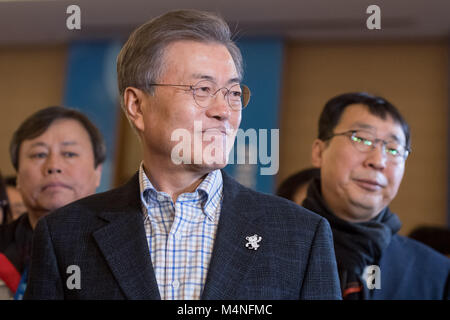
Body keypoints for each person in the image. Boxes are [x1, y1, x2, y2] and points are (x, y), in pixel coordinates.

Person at [24, 9, 341, 300]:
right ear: (137, 106)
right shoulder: (64, 234)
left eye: (232, 93)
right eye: (201, 89)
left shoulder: (300, 235)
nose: (223, 111)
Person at [302, 92, 450, 299]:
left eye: (393, 149)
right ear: (319, 152)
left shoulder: (436, 274)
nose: (378, 161)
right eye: (361, 139)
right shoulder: (272, 246)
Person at [0, 106, 105, 299]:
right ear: (18, 177)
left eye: (69, 154)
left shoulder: (125, 247)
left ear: (98, 172)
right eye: (39, 155)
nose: (53, 166)